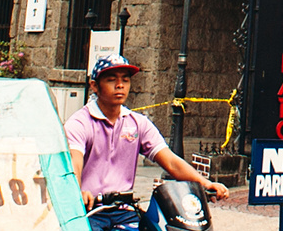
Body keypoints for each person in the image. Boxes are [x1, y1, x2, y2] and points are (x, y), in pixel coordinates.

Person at [65, 52, 227, 212]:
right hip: (89, 210)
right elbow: (74, 162)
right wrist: (77, 191)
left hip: (125, 210)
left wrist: (206, 183)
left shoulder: (137, 123)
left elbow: (170, 161)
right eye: (111, 80)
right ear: (94, 85)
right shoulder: (80, 123)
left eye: (125, 80)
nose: (120, 85)